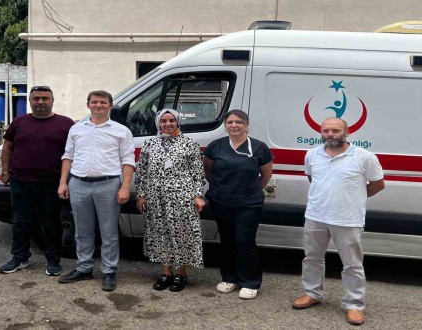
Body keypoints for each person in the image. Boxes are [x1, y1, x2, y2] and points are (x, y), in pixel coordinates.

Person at [292, 117, 385, 326]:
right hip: (315, 216)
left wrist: (353, 198)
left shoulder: (364, 157)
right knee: (312, 258)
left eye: (335, 130)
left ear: (347, 132)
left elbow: (378, 184)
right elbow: (313, 179)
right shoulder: (312, 154)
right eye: (326, 130)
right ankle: (312, 293)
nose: (330, 134)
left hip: (348, 219)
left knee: (352, 264)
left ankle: (354, 304)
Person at [57, 90, 135, 291]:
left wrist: (125, 187)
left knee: (109, 231)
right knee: (82, 230)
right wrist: (63, 182)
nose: (98, 105)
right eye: (94, 102)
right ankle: (84, 267)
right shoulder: (76, 129)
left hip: (108, 184)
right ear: (88, 105)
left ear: (110, 106)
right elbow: (68, 156)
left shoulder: (121, 131)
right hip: (78, 183)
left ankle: (109, 271)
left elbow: (128, 160)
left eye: (103, 102)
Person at [0, 85, 75, 276]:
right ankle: (19, 257)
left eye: (45, 98)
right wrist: (5, 172)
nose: (40, 102)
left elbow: (73, 153)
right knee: (21, 221)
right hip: (21, 181)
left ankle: (53, 260)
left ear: (52, 100)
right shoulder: (19, 121)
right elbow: (7, 147)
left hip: (52, 183)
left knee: (51, 222)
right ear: (30, 101)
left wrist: (67, 180)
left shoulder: (66, 123)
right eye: (36, 98)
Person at [203, 109, 273, 300]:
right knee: (227, 240)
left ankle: (250, 281)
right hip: (221, 202)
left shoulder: (259, 147)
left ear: (247, 125)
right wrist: (222, 189)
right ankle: (229, 278)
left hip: (249, 204)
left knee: (245, 240)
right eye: (230, 122)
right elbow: (208, 171)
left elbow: (266, 175)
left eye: (239, 122)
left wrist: (250, 191)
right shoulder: (216, 146)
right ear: (225, 125)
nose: (234, 125)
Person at [135, 109, 206, 292]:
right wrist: (141, 195)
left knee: (180, 234)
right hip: (155, 197)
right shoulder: (150, 143)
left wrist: (197, 195)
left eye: (171, 120)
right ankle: (166, 273)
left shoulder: (189, 143)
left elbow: (198, 173)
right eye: (164, 121)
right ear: (158, 123)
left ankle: (181, 274)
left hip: (182, 197)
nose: (168, 124)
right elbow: (141, 172)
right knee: (161, 233)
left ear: (178, 122)